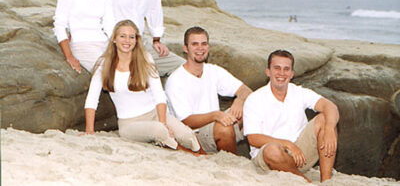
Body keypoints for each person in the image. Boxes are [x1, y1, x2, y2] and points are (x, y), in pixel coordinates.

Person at [84, 20, 200, 153]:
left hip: (154, 114)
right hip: (129, 124)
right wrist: (89, 130)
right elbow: (92, 100)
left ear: (136, 40)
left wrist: (163, 122)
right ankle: (190, 155)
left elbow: (159, 95)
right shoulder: (104, 64)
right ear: (114, 39)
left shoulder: (145, 59)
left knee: (187, 136)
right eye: (122, 36)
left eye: (131, 37)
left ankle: (201, 155)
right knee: (160, 131)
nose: (127, 40)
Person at [243, 50, 339, 183]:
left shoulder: (298, 92)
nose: (281, 73)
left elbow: (330, 106)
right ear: (268, 72)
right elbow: (253, 138)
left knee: (325, 118)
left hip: (300, 154)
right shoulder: (255, 99)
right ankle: (306, 182)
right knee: (273, 150)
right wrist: (287, 145)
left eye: (286, 69)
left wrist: (329, 128)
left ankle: (326, 181)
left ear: (292, 74)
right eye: (277, 68)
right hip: (268, 158)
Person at [165, 26, 252, 154]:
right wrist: (215, 115)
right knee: (224, 127)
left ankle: (262, 155)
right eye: (195, 44)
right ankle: (233, 162)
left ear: (208, 47)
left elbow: (246, 90)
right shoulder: (176, 79)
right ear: (185, 48)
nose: (200, 48)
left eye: (204, 44)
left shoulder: (213, 70)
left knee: (251, 105)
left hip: (214, 126)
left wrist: (239, 100)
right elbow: (186, 121)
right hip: (194, 134)